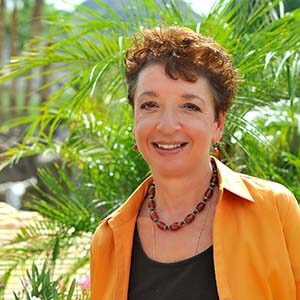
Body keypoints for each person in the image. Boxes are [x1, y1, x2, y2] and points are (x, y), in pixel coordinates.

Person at [90, 26, 300, 300]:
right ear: (134, 120)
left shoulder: (274, 210)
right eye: (149, 105)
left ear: (218, 124)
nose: (167, 126)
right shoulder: (109, 238)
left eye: (190, 107)